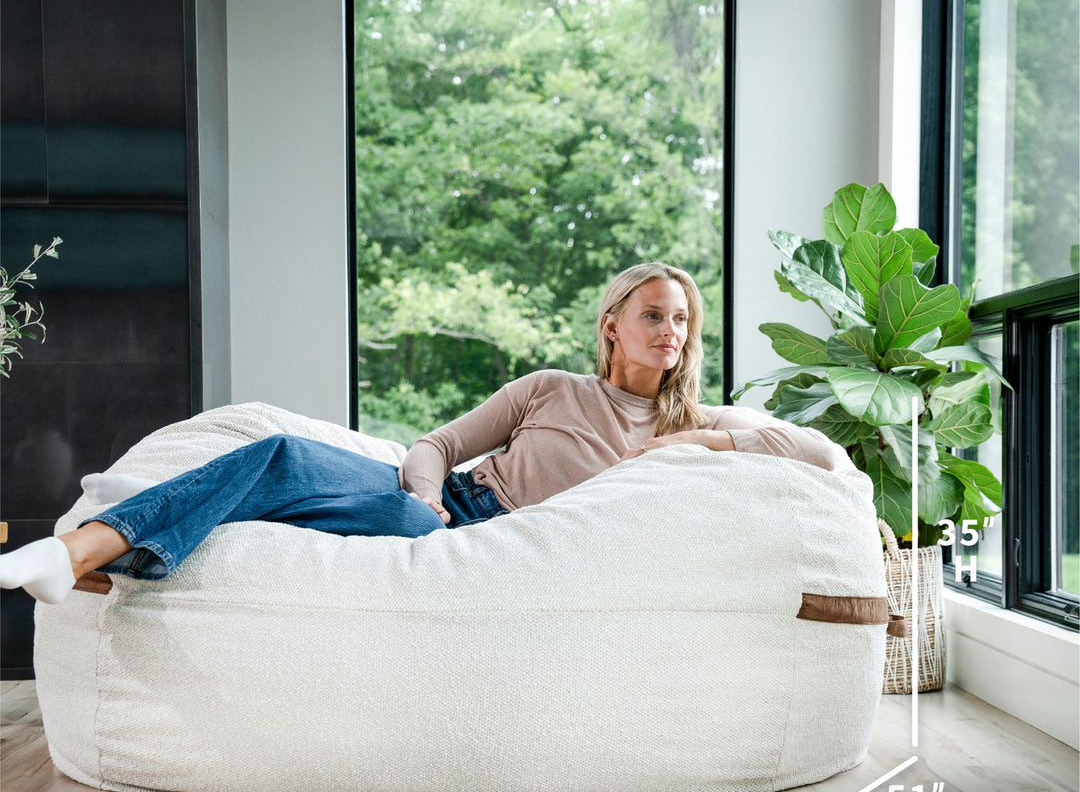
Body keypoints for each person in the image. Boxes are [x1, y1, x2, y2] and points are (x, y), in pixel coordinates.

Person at [1, 262, 844, 605]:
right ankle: (81, 551)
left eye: (684, 321)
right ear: (613, 323)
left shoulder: (694, 424)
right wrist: (428, 492)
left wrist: (707, 443)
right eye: (654, 315)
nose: (672, 332)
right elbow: (432, 446)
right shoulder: (550, 389)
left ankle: (102, 541)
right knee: (286, 454)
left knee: (290, 480)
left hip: (493, 543)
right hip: (443, 505)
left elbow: (816, 452)